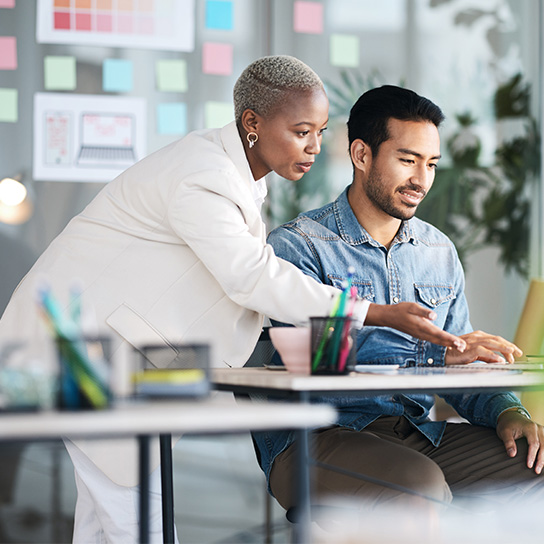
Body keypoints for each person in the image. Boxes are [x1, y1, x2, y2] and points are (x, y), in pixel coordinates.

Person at [0, 59, 465, 542]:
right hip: (78, 353)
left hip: (100, 355)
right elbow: (250, 276)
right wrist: (375, 312)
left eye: (321, 132)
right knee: (141, 518)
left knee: (107, 522)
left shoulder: (236, 177)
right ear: (252, 124)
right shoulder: (204, 174)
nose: (313, 147)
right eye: (301, 130)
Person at [255, 85, 544, 519]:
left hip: (419, 433)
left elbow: (462, 358)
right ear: (361, 155)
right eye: (408, 160)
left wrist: (507, 410)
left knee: (533, 461)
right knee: (418, 488)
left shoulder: (438, 251)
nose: (421, 180)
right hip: (316, 436)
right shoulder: (299, 247)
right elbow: (315, 363)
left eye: (430, 164)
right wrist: (436, 356)